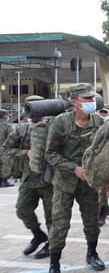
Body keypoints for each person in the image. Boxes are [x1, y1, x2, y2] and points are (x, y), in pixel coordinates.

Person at [45, 83, 106, 273]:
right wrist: (73, 168)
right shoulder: (61, 123)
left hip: (89, 184)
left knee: (92, 222)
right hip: (64, 183)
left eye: (92, 98)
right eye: (86, 99)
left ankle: (92, 253)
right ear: (74, 102)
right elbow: (50, 154)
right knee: (60, 225)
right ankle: (54, 263)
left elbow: (104, 153)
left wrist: (108, 180)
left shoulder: (98, 122)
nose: (91, 101)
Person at [3, 95, 53, 259]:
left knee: (53, 216)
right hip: (29, 179)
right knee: (22, 210)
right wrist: (26, 153)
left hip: (50, 180)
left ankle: (51, 245)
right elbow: (6, 150)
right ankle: (38, 234)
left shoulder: (53, 127)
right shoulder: (22, 130)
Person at [0, 109, 14, 187]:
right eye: (6, 114)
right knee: (6, 164)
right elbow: (10, 137)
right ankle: (4, 181)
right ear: (3, 115)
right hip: (3, 148)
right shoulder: (7, 125)